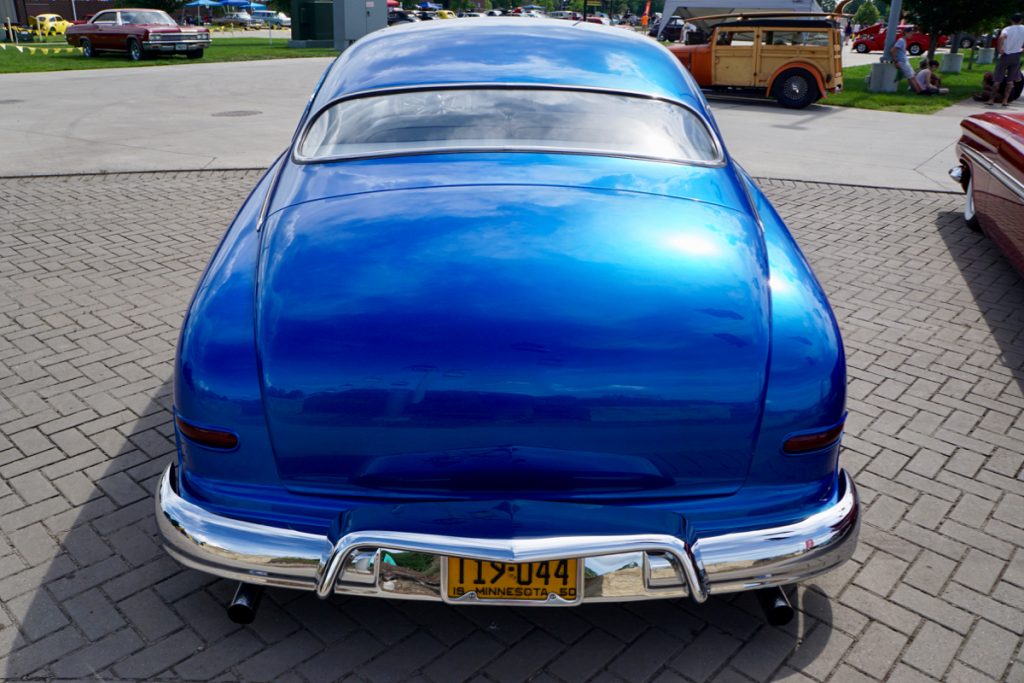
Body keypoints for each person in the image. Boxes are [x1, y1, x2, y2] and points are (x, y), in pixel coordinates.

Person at [990, 13, 1024, 106]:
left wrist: (1000, 48)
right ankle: (1005, 100)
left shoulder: (1007, 29)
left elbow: (1001, 37)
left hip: (1006, 55)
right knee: (1010, 80)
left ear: (1011, 20)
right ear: (1021, 20)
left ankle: (991, 99)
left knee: (997, 79)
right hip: (1016, 55)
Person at [890, 27, 923, 93]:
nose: (911, 35)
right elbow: (892, 50)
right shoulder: (901, 40)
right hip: (902, 62)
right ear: (905, 33)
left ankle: (921, 90)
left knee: (913, 76)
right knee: (910, 77)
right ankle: (918, 92)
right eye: (910, 34)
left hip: (905, 61)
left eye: (912, 34)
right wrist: (896, 62)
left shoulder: (904, 41)